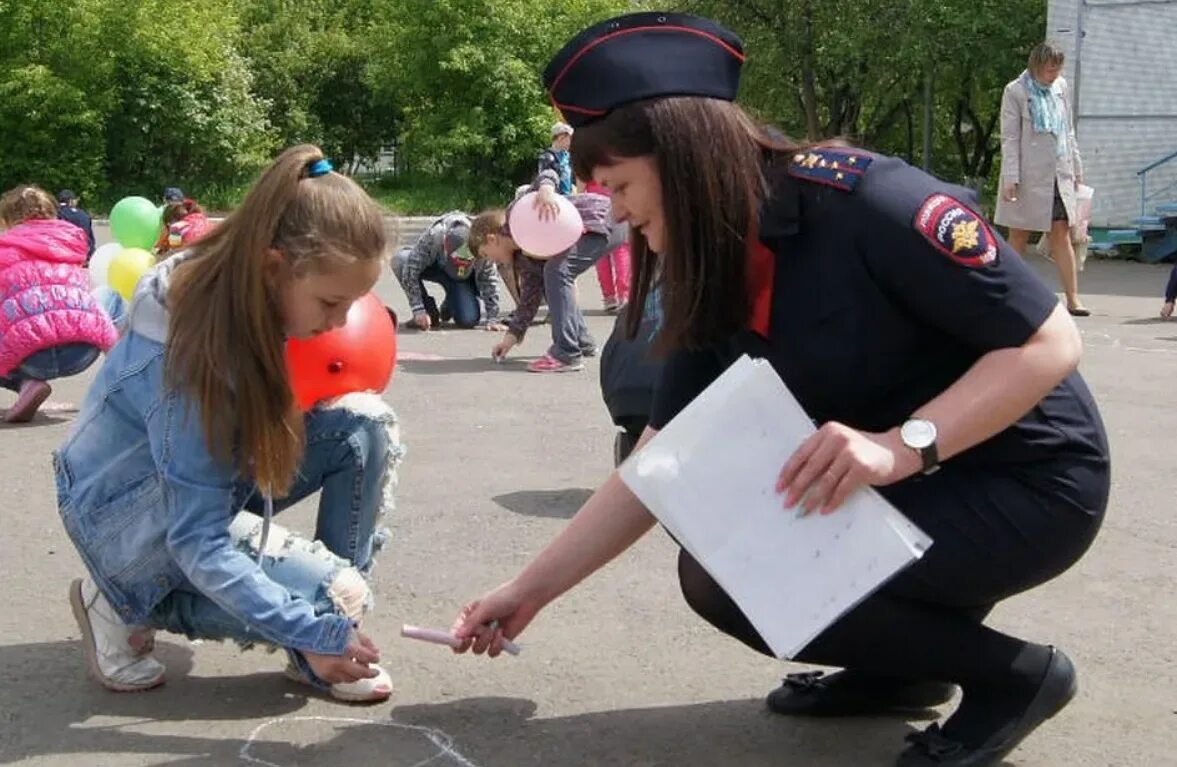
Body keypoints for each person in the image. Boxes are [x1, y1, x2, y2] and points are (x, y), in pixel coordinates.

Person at [450, 13, 1110, 767]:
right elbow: (659, 458)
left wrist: (901, 447)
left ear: (687, 157)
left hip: (1026, 480)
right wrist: (529, 589)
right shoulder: (717, 258)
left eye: (621, 184)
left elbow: (1049, 340)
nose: (616, 210)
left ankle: (1013, 676)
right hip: (915, 481)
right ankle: (902, 668)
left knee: (733, 570)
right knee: (715, 545)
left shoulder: (869, 204)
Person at [55, 145, 402, 703]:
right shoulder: (190, 367)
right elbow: (197, 540)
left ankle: (332, 631)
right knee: (331, 601)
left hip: (190, 480)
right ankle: (119, 600)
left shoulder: (244, 290)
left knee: (362, 426)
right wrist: (312, 625)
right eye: (331, 302)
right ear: (273, 267)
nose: (341, 323)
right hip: (130, 522)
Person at [468, 169, 627, 373]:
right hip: (600, 228)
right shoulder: (524, 258)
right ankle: (581, 340)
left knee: (557, 271)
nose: (492, 261)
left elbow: (549, 172)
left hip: (603, 218)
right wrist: (510, 338)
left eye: (487, 255)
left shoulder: (517, 214)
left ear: (492, 239)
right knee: (554, 277)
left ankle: (566, 353)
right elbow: (529, 300)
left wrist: (545, 189)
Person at [0, 185, 118, 423]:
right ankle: (121, 382)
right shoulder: (71, 244)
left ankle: (25, 382)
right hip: (83, 351)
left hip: (31, 356)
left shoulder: (5, 248)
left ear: (9, 219)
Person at [995, 41, 1089, 317]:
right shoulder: (1015, 91)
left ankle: (1073, 299)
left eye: (1058, 70)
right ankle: (1007, 294)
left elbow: (1067, 131)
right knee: (1019, 234)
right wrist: (1011, 176)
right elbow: (1009, 138)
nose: (1054, 75)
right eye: (1050, 70)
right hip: (1027, 174)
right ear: (1036, 66)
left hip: (1058, 170)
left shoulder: (1061, 87)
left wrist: (1077, 167)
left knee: (1060, 232)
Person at [390, 211, 501, 330]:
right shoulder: (435, 234)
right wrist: (418, 308)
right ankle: (429, 311)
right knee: (401, 260)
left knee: (468, 320)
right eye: (458, 258)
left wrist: (492, 318)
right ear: (446, 245)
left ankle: (451, 301)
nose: (461, 261)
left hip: (462, 279)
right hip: (435, 266)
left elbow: (489, 279)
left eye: (466, 259)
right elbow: (411, 268)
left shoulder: (481, 244)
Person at [584, 178, 632, 312]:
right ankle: (624, 296)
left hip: (593, 207)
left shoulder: (585, 159)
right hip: (615, 199)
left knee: (600, 251)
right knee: (621, 248)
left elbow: (581, 185)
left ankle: (609, 297)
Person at [56, 189, 96, 259]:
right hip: (85, 253)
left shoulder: (56, 214)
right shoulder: (84, 214)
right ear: (71, 201)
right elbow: (90, 237)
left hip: (65, 254)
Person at [537, 122, 575, 195]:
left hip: (569, 197)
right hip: (556, 197)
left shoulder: (568, 156)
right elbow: (545, 179)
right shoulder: (547, 157)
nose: (572, 142)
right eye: (570, 139)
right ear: (561, 138)